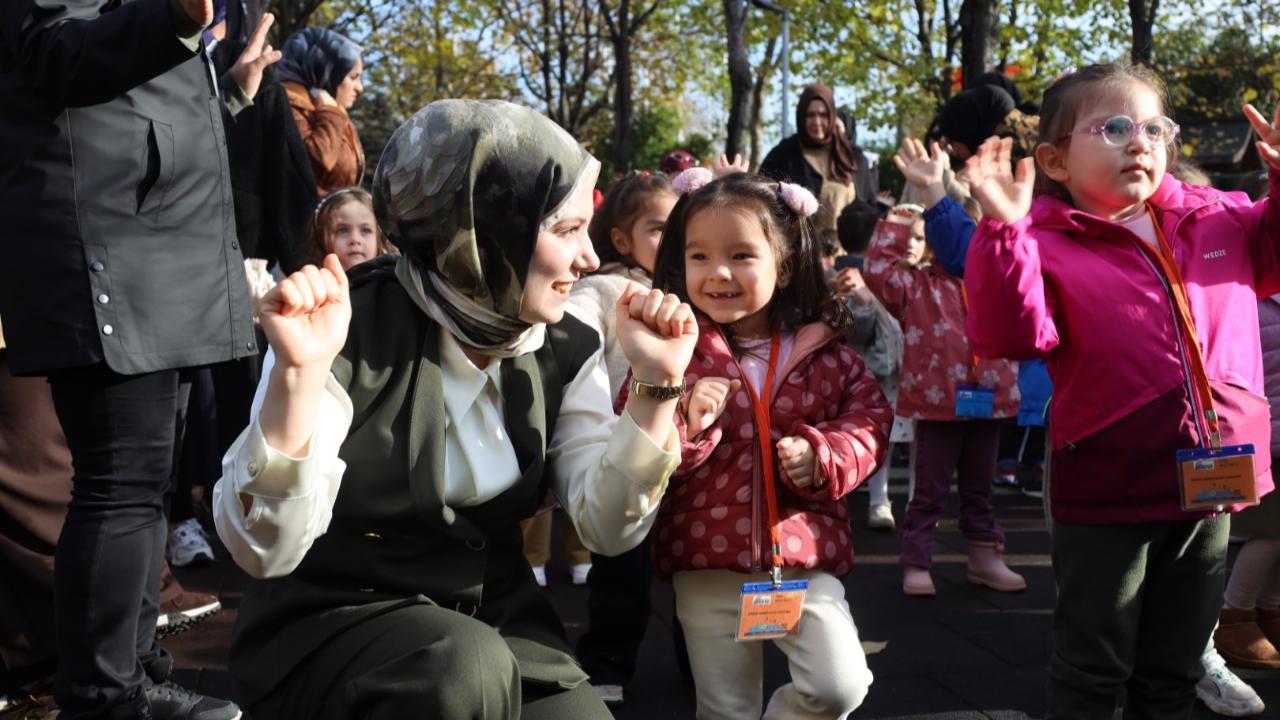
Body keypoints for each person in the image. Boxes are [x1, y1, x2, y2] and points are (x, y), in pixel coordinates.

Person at [211, 99, 697, 719]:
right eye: (568, 230)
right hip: (333, 623)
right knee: (463, 669)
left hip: (494, 620)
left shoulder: (566, 344)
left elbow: (607, 528)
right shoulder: (344, 326)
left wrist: (657, 388)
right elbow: (262, 551)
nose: (590, 259)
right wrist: (298, 377)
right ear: (486, 230)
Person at [963, 63, 1280, 719]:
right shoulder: (1044, 242)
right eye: (1112, 127)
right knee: (1093, 664)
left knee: (1175, 662)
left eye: (1153, 128)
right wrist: (1002, 233)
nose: (1138, 142)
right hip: (1111, 488)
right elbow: (1008, 333)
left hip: (1213, 482)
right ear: (1054, 159)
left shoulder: (1218, 216)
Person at [0, 1, 282, 717]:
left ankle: (131, 671)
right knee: (119, 481)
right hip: (111, 239)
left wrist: (228, 85)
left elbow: (140, 98)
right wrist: (174, 19)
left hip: (157, 243)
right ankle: (105, 692)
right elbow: (61, 53)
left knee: (144, 481)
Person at [637, 169, 889, 719]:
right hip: (704, 563)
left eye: (741, 255)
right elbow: (639, 444)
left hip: (803, 556)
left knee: (838, 686)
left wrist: (825, 455)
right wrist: (688, 424)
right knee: (725, 710)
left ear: (786, 261)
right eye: (698, 256)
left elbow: (871, 419)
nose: (718, 273)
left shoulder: (822, 348)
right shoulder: (669, 349)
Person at [862, 206, 1024, 597]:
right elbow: (877, 271)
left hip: (989, 399)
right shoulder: (916, 284)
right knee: (930, 489)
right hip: (938, 406)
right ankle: (917, 560)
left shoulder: (994, 280)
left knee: (980, 487)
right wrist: (899, 222)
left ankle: (984, 557)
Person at [564, 171, 678, 703]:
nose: (671, 241)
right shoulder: (610, 289)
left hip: (682, 456)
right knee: (622, 573)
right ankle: (606, 661)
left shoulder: (688, 294)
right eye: (658, 229)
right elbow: (575, 315)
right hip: (625, 453)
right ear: (621, 239)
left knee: (692, 577)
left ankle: (703, 661)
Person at [277, 27, 365, 197]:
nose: (360, 88)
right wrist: (331, 114)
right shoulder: (290, 105)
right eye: (353, 77)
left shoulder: (331, 111)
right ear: (323, 69)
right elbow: (319, 159)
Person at [761, 84, 859, 231]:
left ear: (832, 115)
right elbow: (763, 199)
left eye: (823, 115)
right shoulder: (783, 154)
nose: (817, 122)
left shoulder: (849, 156)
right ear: (801, 116)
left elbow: (867, 207)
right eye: (810, 115)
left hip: (846, 251)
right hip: (802, 250)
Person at [304, 187, 395, 270]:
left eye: (365, 230)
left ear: (379, 238)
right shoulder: (314, 285)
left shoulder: (396, 284)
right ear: (321, 238)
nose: (355, 239)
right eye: (342, 230)